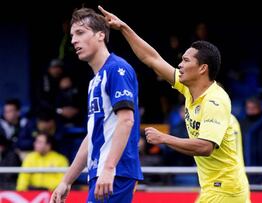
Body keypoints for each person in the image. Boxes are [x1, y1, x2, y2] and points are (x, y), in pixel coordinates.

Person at [98, 6, 250, 202]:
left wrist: (164, 138)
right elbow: (151, 59)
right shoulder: (189, 88)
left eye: (186, 60)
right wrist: (124, 28)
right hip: (215, 187)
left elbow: (205, 147)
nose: (180, 64)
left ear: (202, 68)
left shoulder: (215, 100)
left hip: (225, 190)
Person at [50, 8, 143, 203]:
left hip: (115, 172)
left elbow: (126, 120)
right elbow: (92, 136)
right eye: (72, 35)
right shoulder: (95, 81)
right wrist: (67, 181)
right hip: (101, 173)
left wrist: (109, 168)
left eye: (80, 33)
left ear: (101, 35)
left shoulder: (117, 69)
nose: (74, 40)